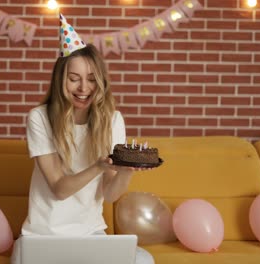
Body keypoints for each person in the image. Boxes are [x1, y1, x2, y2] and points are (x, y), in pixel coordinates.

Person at [10, 14, 154, 264]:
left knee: (144, 261)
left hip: (90, 233)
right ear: (60, 80)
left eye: (91, 79)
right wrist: (98, 166)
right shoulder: (40, 118)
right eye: (74, 79)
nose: (83, 88)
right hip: (43, 236)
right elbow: (59, 189)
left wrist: (126, 171)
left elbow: (109, 194)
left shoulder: (112, 120)